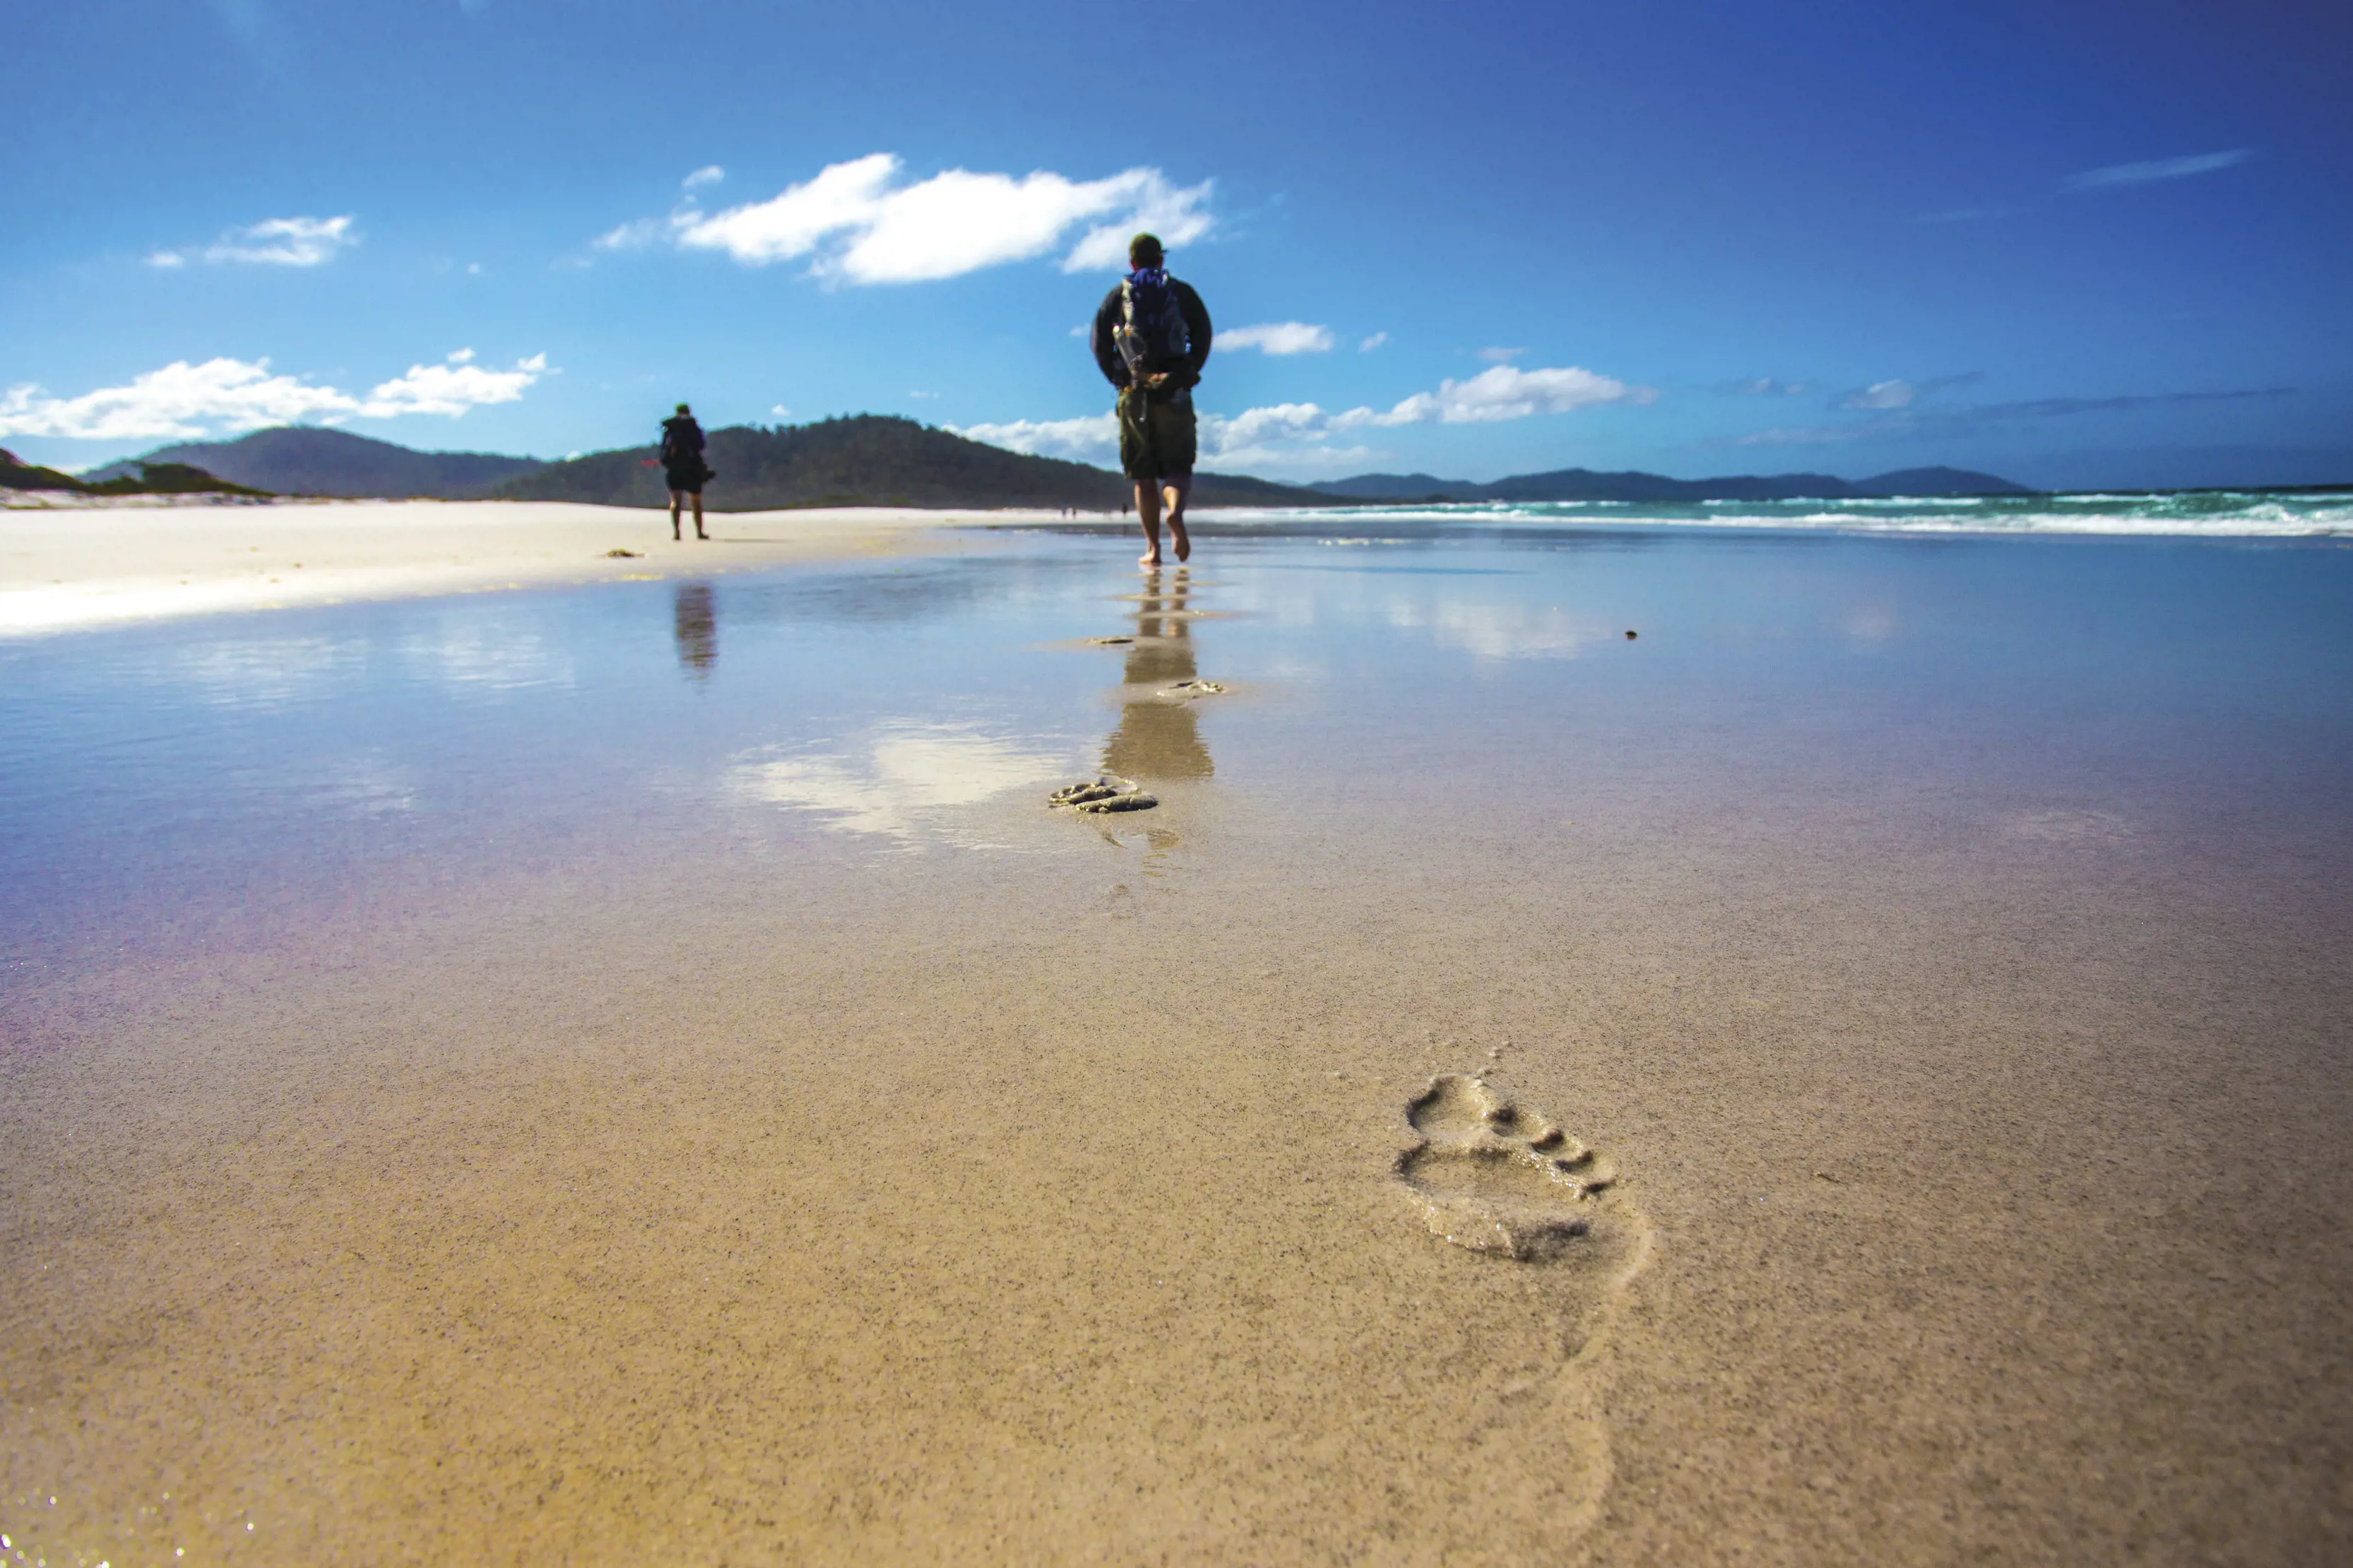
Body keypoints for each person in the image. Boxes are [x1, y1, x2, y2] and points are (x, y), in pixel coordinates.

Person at [1091, 234, 1211, 567]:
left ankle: (1153, 550)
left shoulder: (1117, 296)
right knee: (1178, 469)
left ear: (1132, 262)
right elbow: (1203, 335)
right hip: (1175, 389)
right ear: (1161, 259)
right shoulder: (1182, 293)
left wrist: (1120, 379)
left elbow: (1100, 345)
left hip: (1134, 393)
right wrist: (1188, 372)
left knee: (1143, 477)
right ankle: (1174, 511)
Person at [659, 403, 711, 541]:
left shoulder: (670, 428)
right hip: (692, 468)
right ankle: (699, 532)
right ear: (689, 412)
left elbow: (663, 448)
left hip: (674, 469)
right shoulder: (692, 426)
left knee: (676, 501)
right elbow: (701, 446)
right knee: (696, 502)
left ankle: (677, 533)